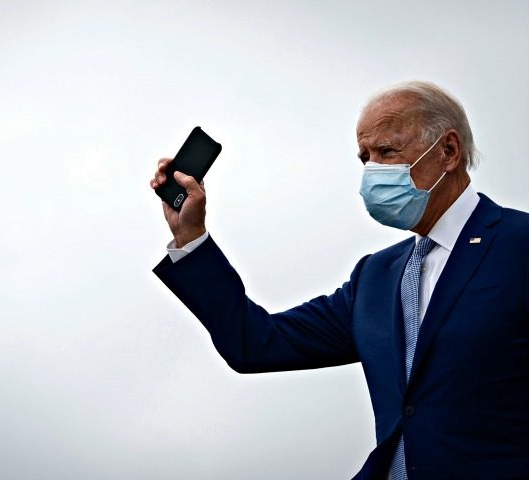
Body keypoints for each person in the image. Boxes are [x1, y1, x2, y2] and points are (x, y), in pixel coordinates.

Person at [149, 81, 529, 479]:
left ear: (448, 151)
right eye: (365, 157)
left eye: (387, 151)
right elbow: (256, 343)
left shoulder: (518, 247)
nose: (372, 171)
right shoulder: (376, 278)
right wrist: (191, 237)